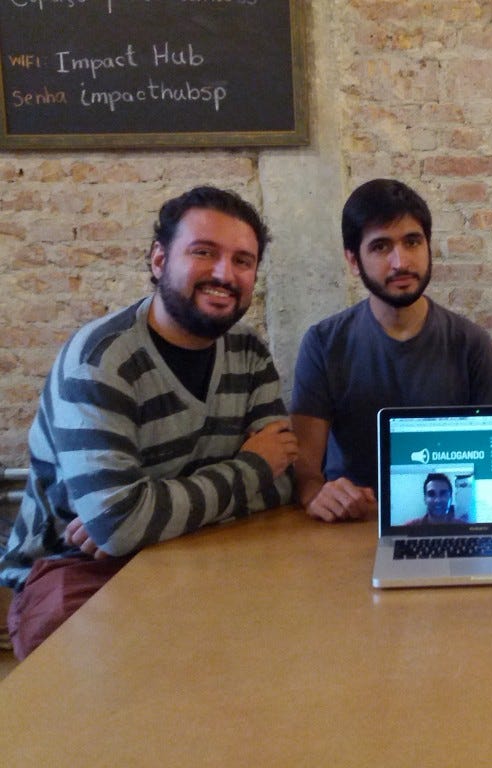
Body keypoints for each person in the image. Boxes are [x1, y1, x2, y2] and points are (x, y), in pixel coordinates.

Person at [0, 186, 298, 659]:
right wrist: (251, 467)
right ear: (159, 260)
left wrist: (143, 518)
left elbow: (284, 483)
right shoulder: (101, 361)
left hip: (209, 548)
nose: (226, 273)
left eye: (243, 260)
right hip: (76, 568)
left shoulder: (248, 352)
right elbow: (121, 525)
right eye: (204, 252)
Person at [291, 179, 492, 523]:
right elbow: (306, 472)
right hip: (352, 522)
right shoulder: (323, 343)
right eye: (380, 247)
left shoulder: (470, 343)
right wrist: (318, 495)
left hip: (449, 525)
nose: (400, 262)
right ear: (353, 260)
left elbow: (489, 460)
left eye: (412, 242)